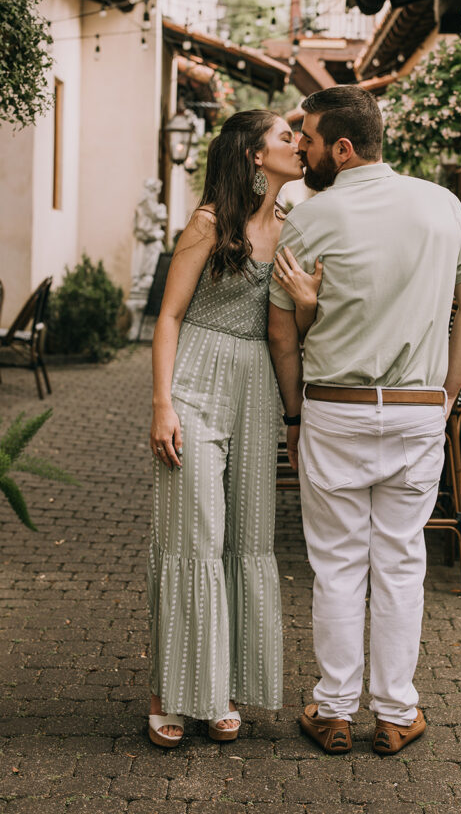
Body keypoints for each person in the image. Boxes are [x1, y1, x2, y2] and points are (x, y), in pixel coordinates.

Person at [268, 86, 461, 756]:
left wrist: (291, 414)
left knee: (337, 564)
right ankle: (396, 713)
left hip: (332, 408)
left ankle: (333, 710)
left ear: (341, 147)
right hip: (416, 408)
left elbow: (282, 334)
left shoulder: (309, 218)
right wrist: (446, 397)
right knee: (399, 560)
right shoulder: (441, 204)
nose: (301, 149)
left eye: (306, 138)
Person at [147, 110, 321, 748]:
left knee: (245, 537)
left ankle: (217, 686)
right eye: (284, 137)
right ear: (252, 154)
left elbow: (288, 334)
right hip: (195, 375)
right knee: (192, 536)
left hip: (255, 387)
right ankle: (169, 689)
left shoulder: (293, 227)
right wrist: (162, 404)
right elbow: (168, 317)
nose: (297, 145)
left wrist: (305, 306)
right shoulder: (208, 223)